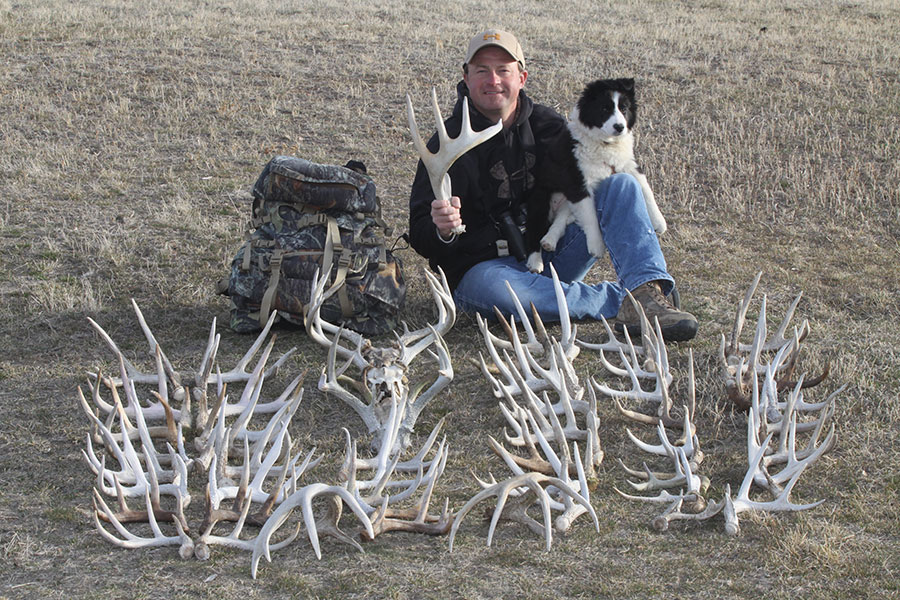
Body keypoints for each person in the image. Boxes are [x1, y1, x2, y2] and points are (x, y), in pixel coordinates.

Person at [407, 29, 698, 342]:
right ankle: (624, 301)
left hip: (548, 253)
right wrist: (444, 230)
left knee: (621, 185)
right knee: (510, 296)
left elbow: (601, 172)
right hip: (483, 271)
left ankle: (645, 289)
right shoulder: (445, 143)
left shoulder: (548, 126)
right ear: (466, 78)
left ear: (522, 76)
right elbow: (421, 231)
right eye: (482, 71)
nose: (493, 80)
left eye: (503, 70)